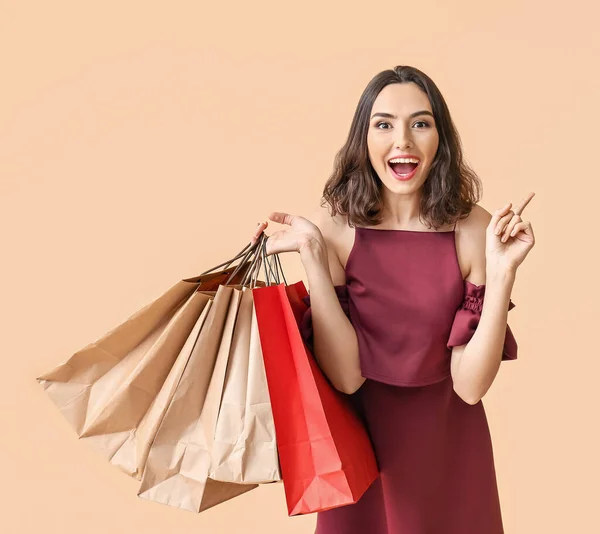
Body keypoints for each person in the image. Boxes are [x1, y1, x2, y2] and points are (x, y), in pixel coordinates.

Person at [250, 65, 535, 534]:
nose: (402, 140)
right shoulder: (335, 228)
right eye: (384, 124)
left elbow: (469, 386)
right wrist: (313, 259)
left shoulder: (472, 228)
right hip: (363, 455)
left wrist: (503, 274)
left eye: (420, 123)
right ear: (364, 138)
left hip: (450, 451)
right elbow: (345, 377)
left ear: (440, 138)